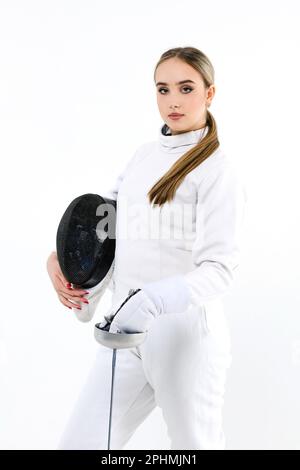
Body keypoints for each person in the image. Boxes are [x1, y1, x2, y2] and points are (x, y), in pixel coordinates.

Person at [47, 46, 247, 450]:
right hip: (125, 333)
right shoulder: (143, 156)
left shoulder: (218, 171)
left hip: (185, 339)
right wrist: (61, 259)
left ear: (209, 94)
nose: (173, 101)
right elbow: (103, 228)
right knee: (80, 443)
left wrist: (151, 301)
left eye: (186, 88)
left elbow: (220, 269)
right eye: (163, 89)